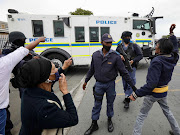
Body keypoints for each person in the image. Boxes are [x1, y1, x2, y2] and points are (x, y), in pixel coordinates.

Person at [83, 33, 136, 135]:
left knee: (110, 103)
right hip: (99, 84)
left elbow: (124, 72)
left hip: (110, 84)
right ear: (102, 42)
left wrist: (133, 86)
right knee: (96, 104)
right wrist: (86, 80)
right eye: (107, 43)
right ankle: (94, 123)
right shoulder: (95, 55)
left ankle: (109, 120)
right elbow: (92, 70)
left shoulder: (115, 56)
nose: (109, 44)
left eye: (110, 42)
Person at [11, 58, 78, 135]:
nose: (57, 70)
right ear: (46, 79)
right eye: (54, 69)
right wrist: (65, 92)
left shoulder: (30, 89)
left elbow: (48, 79)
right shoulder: (44, 108)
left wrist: (63, 68)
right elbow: (73, 118)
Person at [129, 38, 180, 135]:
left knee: (142, 115)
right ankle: (177, 132)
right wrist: (172, 34)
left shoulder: (157, 61)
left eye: (157, 45)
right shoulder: (173, 57)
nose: (155, 46)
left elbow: (151, 84)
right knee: (168, 112)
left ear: (160, 50)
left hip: (153, 94)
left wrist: (136, 94)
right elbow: (175, 49)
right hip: (163, 92)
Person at [0, 37, 45, 135]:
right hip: (22, 86)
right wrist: (32, 60)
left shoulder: (6, 58)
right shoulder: (4, 61)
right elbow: (22, 65)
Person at [116, 31, 143, 109]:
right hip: (122, 68)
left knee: (130, 82)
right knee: (124, 83)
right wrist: (120, 56)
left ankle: (127, 99)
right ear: (123, 38)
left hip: (131, 68)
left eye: (129, 37)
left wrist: (133, 61)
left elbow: (140, 55)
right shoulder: (119, 47)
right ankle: (126, 95)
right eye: (126, 37)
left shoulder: (134, 46)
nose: (127, 38)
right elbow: (115, 54)